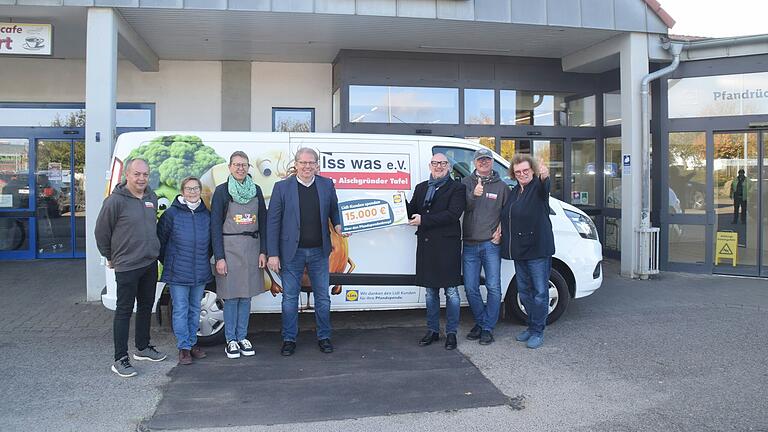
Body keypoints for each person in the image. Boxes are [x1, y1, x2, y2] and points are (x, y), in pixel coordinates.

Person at [267, 148, 345, 357]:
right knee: (290, 299)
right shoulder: (282, 188)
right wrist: (272, 253)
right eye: (303, 162)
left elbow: (334, 211)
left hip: (320, 252)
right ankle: (289, 339)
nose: (307, 166)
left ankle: (324, 337)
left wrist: (338, 225)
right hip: (291, 253)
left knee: (323, 298)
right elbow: (272, 222)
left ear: (317, 165)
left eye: (311, 163)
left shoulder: (326, 185)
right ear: (296, 164)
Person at [95, 158, 166, 378]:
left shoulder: (151, 197)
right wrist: (109, 255)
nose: (142, 178)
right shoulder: (114, 202)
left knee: (146, 306)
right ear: (127, 174)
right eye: (137, 174)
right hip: (126, 265)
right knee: (124, 310)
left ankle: (143, 348)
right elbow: (101, 232)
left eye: (145, 174)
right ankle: (120, 359)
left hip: (148, 263)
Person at [211, 151, 268, 359]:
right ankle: (231, 340)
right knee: (231, 296)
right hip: (229, 248)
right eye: (236, 165)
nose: (240, 168)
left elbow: (264, 221)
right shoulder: (222, 191)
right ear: (230, 167)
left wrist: (264, 251)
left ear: (248, 167)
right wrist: (219, 257)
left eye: (244, 165)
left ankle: (243, 336)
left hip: (252, 248)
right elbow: (214, 226)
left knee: (246, 297)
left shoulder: (257, 190)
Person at [407, 153, 466, 350]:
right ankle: (432, 331)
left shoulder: (458, 188)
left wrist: (423, 220)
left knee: (451, 292)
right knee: (430, 293)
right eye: (435, 163)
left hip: (447, 247)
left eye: (442, 163)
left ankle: (451, 333)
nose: (438, 166)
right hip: (427, 246)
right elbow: (412, 210)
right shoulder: (421, 188)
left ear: (448, 166)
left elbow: (452, 215)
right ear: (429, 165)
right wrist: (398, 203)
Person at [157, 176, 213, 365]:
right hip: (177, 272)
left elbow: (210, 245)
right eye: (188, 189)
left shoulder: (206, 215)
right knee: (180, 309)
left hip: (200, 270)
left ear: (200, 191)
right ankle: (184, 348)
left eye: (196, 188)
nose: (192, 192)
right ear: (182, 192)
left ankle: (192, 343)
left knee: (195, 309)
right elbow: (160, 243)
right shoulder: (171, 215)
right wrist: (170, 261)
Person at [500, 154, 554, 349]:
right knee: (524, 292)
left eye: (525, 170)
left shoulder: (538, 188)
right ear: (513, 174)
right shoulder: (515, 191)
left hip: (538, 249)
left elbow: (545, 186)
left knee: (540, 293)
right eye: (518, 172)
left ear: (532, 170)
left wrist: (545, 176)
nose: (522, 174)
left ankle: (538, 331)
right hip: (520, 251)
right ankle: (531, 326)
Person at [461, 148, 508, 345]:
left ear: (492, 162)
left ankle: (487, 328)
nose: (484, 162)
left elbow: (509, 213)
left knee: (493, 287)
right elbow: (461, 207)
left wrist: (501, 230)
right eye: (480, 159)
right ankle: (482, 322)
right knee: (470, 287)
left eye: (487, 159)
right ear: (474, 162)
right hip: (470, 243)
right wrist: (474, 194)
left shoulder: (502, 186)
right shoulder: (465, 183)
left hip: (490, 244)